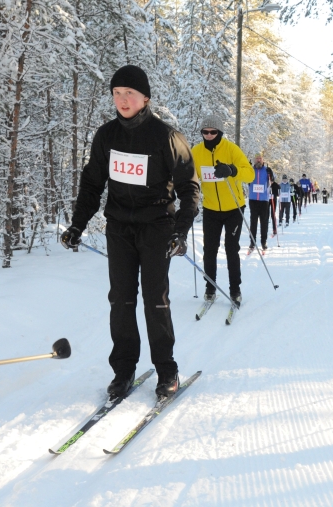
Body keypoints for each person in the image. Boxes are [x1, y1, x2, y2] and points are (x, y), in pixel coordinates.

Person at [60, 65, 200, 399]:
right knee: (121, 300)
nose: (122, 100)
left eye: (130, 94)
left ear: (145, 97)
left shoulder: (166, 136)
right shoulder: (107, 136)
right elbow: (93, 184)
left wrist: (180, 232)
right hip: (120, 228)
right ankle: (123, 372)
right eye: (117, 93)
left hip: (157, 227)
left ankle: (167, 370)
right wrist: (77, 224)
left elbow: (189, 190)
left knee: (156, 300)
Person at [192, 114, 254, 307]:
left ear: (220, 132)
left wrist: (232, 170)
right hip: (211, 209)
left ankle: (235, 290)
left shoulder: (231, 149)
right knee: (209, 250)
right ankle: (210, 288)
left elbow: (249, 174)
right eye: (205, 132)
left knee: (231, 248)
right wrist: (191, 201)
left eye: (213, 132)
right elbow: (191, 179)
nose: (209, 135)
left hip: (234, 208)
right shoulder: (196, 152)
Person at [247, 153, 274, 251]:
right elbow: (246, 179)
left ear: (263, 160)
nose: (258, 160)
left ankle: (263, 241)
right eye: (257, 158)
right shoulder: (251, 169)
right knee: (253, 222)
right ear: (254, 160)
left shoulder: (266, 170)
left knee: (264, 222)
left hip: (264, 200)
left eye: (260, 158)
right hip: (253, 199)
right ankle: (252, 242)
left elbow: (272, 181)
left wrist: (271, 174)